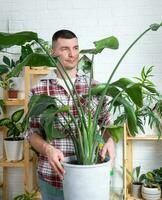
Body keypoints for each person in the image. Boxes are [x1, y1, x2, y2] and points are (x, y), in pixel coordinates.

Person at [26, 29, 115, 200]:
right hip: (53, 177)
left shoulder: (94, 87)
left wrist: (110, 139)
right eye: (64, 49)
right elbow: (31, 133)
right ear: (53, 52)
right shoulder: (39, 90)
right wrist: (48, 149)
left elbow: (107, 125)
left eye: (75, 48)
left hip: (89, 175)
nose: (72, 54)